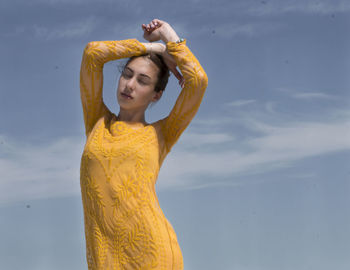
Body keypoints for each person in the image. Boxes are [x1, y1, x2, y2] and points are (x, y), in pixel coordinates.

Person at [79, 18, 208, 270]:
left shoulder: (161, 133)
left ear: (156, 94)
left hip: (151, 255)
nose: (129, 85)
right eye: (127, 75)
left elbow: (198, 81)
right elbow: (92, 53)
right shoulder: (96, 121)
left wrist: (168, 36)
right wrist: (152, 49)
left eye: (143, 81)